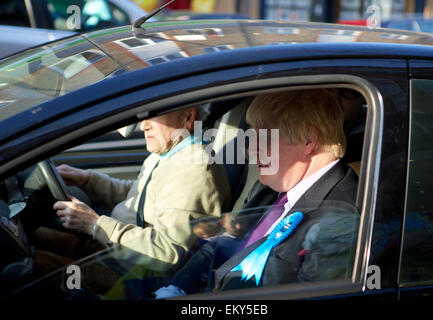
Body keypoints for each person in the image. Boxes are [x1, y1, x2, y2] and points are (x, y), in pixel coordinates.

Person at [155, 88, 359, 297]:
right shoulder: (274, 187)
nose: (251, 149)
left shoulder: (340, 219)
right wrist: (175, 288)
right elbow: (234, 245)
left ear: (309, 140)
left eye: (265, 137)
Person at [30, 107, 231, 282]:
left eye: (154, 115)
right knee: (35, 235)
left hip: (138, 276)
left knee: (32, 267)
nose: (143, 126)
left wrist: (94, 224)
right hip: (120, 250)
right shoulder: (170, 153)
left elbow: (168, 253)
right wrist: (87, 180)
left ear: (187, 118)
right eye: (144, 116)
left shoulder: (193, 170)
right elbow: (140, 195)